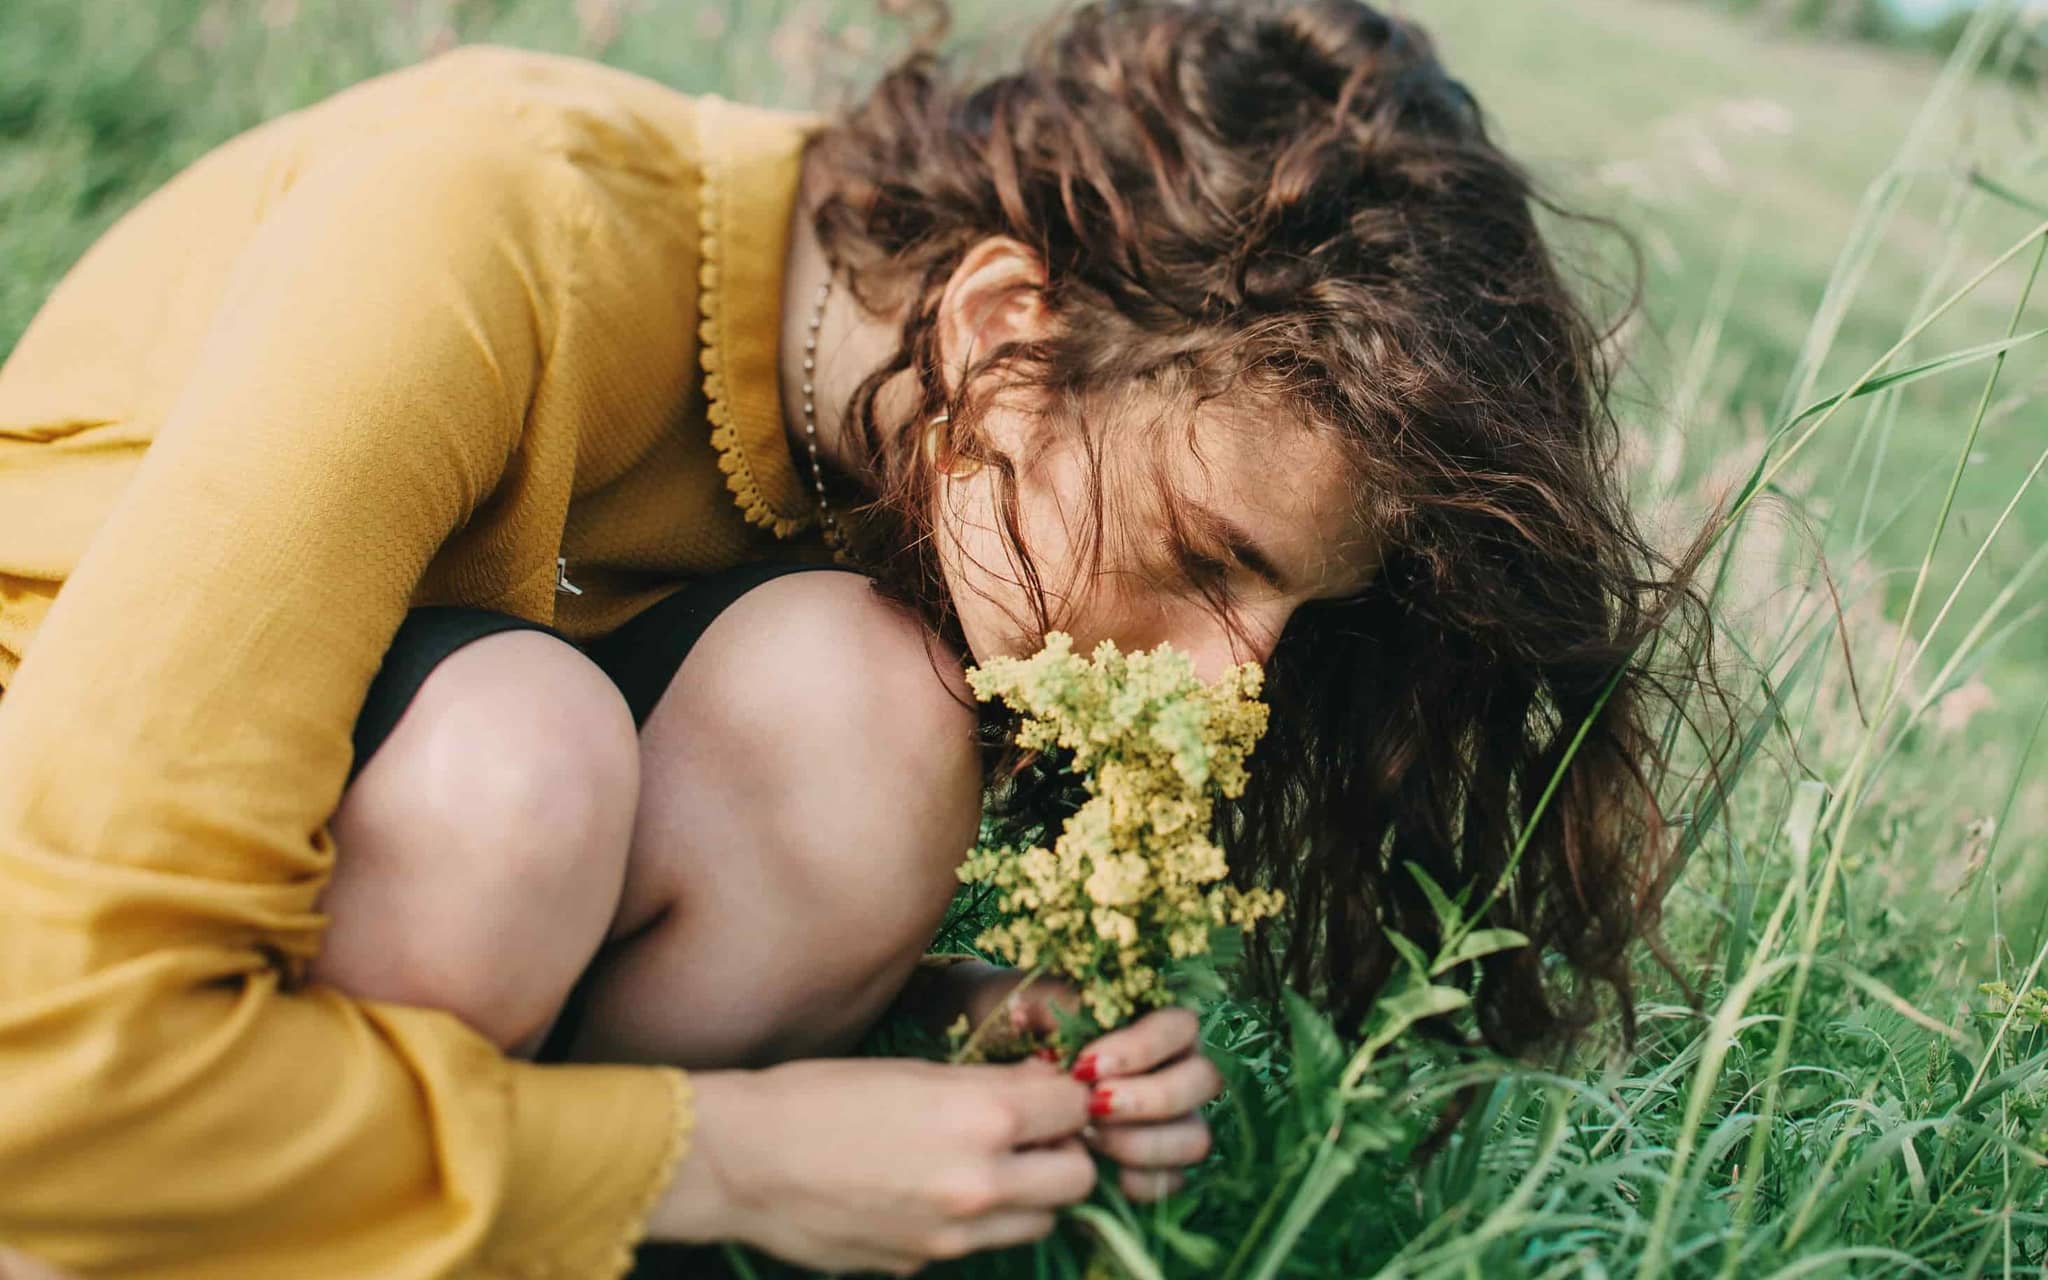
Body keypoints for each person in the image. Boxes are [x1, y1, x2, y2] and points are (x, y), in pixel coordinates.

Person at [0, 0, 1712, 1275]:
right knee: (514, 768)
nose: (1233, 693)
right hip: (56, 1016)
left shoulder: (904, 424)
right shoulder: (477, 232)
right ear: (1004, 328)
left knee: (862, 713)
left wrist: (933, 1025)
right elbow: (55, 1080)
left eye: (1293, 617)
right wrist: (724, 1158)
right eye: (1208, 557)